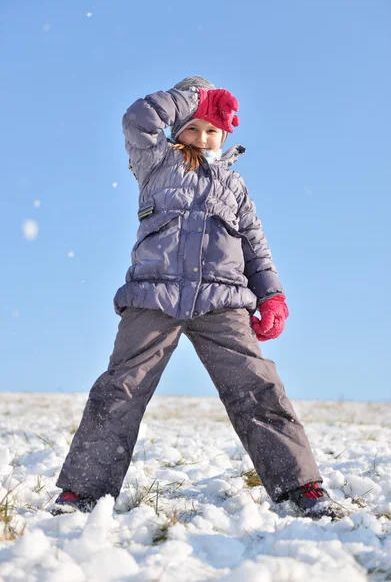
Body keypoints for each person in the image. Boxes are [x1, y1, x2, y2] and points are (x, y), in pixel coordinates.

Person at [51, 76, 347, 520]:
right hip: (153, 294)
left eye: (212, 129)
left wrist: (273, 297)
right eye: (192, 127)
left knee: (258, 387)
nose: (202, 137)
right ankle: (82, 493)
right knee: (120, 389)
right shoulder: (155, 162)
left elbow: (255, 249)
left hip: (223, 300)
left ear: (225, 135)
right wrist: (195, 95)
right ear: (177, 129)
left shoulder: (235, 186)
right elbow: (139, 117)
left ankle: (301, 486)